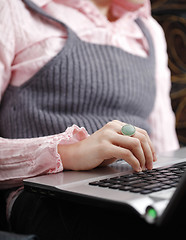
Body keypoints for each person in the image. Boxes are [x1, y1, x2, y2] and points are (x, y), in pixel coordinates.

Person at [0, 0, 179, 239]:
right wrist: (70, 153)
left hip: (137, 187)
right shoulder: (14, 10)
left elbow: (165, 149)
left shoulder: (149, 30)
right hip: (45, 197)